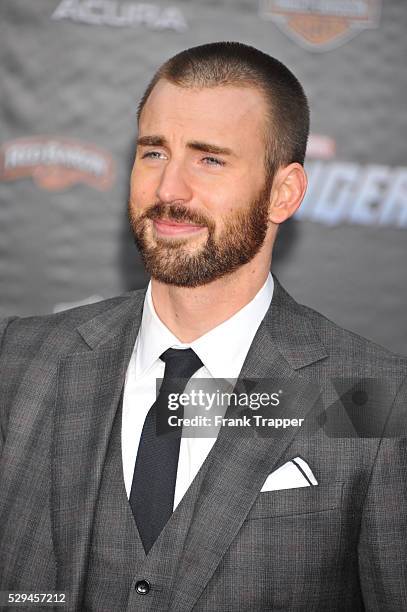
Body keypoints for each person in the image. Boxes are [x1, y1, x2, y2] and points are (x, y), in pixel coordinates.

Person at [0, 41, 406, 612]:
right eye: (154, 153)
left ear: (283, 193)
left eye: (210, 159)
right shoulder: (20, 361)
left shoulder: (374, 395)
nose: (169, 190)